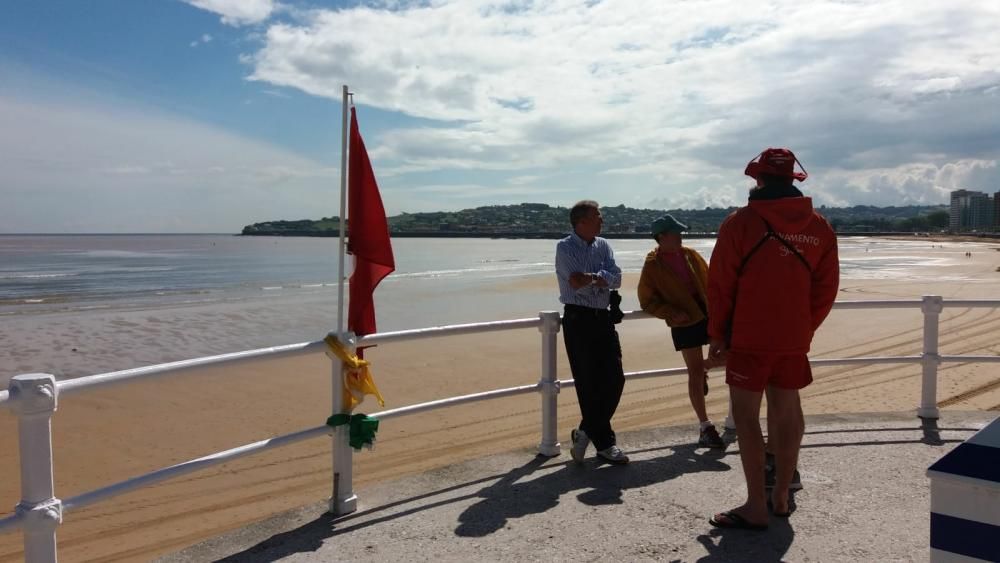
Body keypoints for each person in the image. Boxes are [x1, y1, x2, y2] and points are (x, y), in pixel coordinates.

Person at [706, 148, 839, 529]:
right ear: (793, 180)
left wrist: (718, 334)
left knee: (746, 418)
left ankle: (754, 505)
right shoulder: (819, 227)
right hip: (793, 337)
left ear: (758, 179)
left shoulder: (740, 224)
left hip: (748, 337)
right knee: (787, 412)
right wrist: (803, 327)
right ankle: (781, 496)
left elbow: (721, 285)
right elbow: (826, 289)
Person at [637, 214, 725, 448]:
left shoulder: (690, 255)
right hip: (684, 322)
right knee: (694, 373)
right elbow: (646, 302)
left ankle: (705, 369)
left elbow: (711, 282)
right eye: (676, 233)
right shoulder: (652, 266)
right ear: (662, 237)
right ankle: (705, 426)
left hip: (707, 314)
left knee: (728, 357)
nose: (681, 237)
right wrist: (670, 313)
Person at [556, 200, 629, 465]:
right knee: (588, 383)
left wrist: (595, 279)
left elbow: (618, 278)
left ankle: (585, 430)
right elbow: (575, 282)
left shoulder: (604, 245)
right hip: (579, 319)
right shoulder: (564, 247)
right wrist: (602, 278)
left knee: (615, 379)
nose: (602, 220)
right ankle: (606, 444)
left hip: (603, 319)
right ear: (581, 222)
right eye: (598, 216)